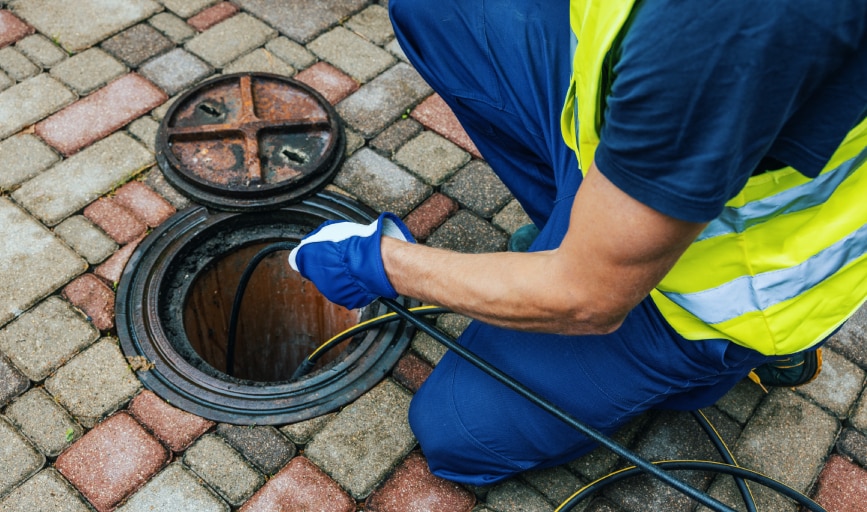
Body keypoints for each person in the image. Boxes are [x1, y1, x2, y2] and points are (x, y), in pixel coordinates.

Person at [289, 0, 867, 486]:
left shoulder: (725, 29)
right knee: (435, 9)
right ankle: (595, 232)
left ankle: (727, 365)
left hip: (713, 296)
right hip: (637, 152)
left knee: (456, 434)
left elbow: (587, 298)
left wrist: (379, 262)